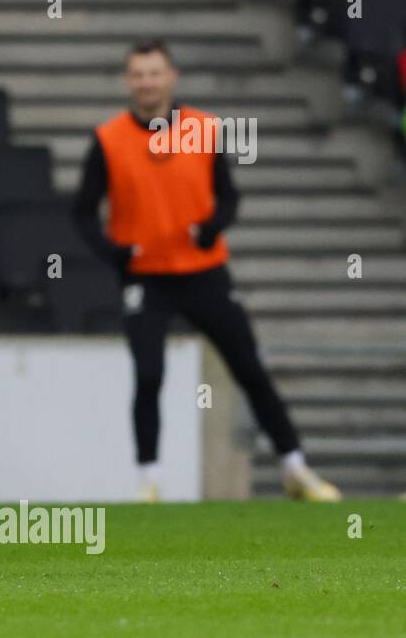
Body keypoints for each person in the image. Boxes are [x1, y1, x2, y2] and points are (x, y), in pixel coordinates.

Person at [71, 39, 341, 502]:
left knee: (249, 368)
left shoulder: (203, 129)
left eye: (154, 73)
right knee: (150, 374)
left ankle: (296, 467)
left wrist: (213, 228)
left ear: (172, 77)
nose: (146, 83)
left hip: (203, 272)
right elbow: (81, 212)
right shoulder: (109, 138)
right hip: (147, 277)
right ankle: (148, 480)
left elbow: (229, 195)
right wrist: (113, 252)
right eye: (138, 74)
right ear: (126, 80)